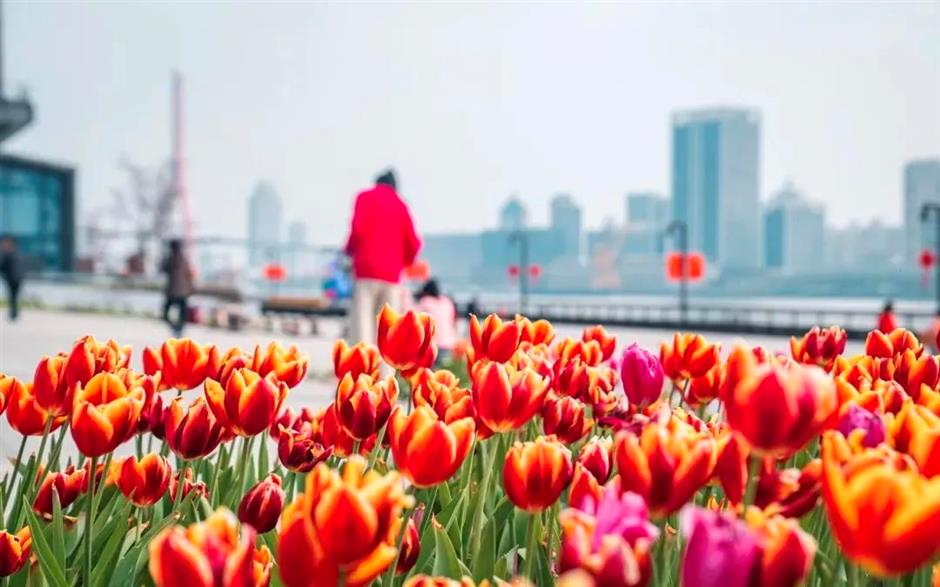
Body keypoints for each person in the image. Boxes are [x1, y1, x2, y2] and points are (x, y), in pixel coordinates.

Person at [344, 169, 421, 344]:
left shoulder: (364, 197)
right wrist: (403, 263)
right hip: (392, 276)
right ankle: (384, 370)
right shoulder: (401, 205)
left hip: (365, 271)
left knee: (362, 324)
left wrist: (349, 251)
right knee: (386, 330)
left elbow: (356, 231)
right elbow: (414, 243)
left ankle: (364, 366)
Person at [160, 239, 195, 336]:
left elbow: (163, 269)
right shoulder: (184, 259)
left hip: (172, 291)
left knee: (166, 313)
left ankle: (175, 328)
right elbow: (189, 274)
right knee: (183, 313)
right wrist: (191, 288)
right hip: (183, 291)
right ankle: (179, 329)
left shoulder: (170, 259)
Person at [416, 278, 458, 360]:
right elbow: (453, 321)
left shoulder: (425, 302)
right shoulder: (447, 302)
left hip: (432, 344)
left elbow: (413, 319)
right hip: (448, 343)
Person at [0, 236, 25, 321]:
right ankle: (14, 314)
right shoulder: (17, 252)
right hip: (18, 278)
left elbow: (2, 265)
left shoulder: (8, 253)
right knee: (14, 296)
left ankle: (13, 314)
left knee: (12, 296)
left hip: (12, 279)